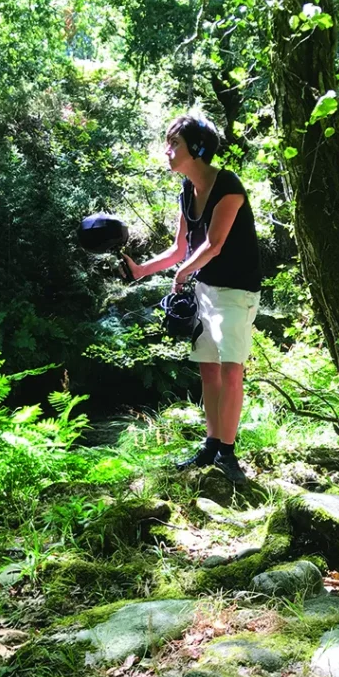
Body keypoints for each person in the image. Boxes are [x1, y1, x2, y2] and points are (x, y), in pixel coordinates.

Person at [122, 114, 262, 484]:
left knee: (232, 370)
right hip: (206, 290)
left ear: (197, 149)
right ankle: (211, 444)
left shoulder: (228, 185)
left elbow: (212, 245)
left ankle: (228, 457)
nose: (168, 150)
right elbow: (179, 248)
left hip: (236, 291)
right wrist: (141, 271)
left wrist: (184, 272)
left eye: (175, 144)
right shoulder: (186, 191)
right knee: (208, 370)